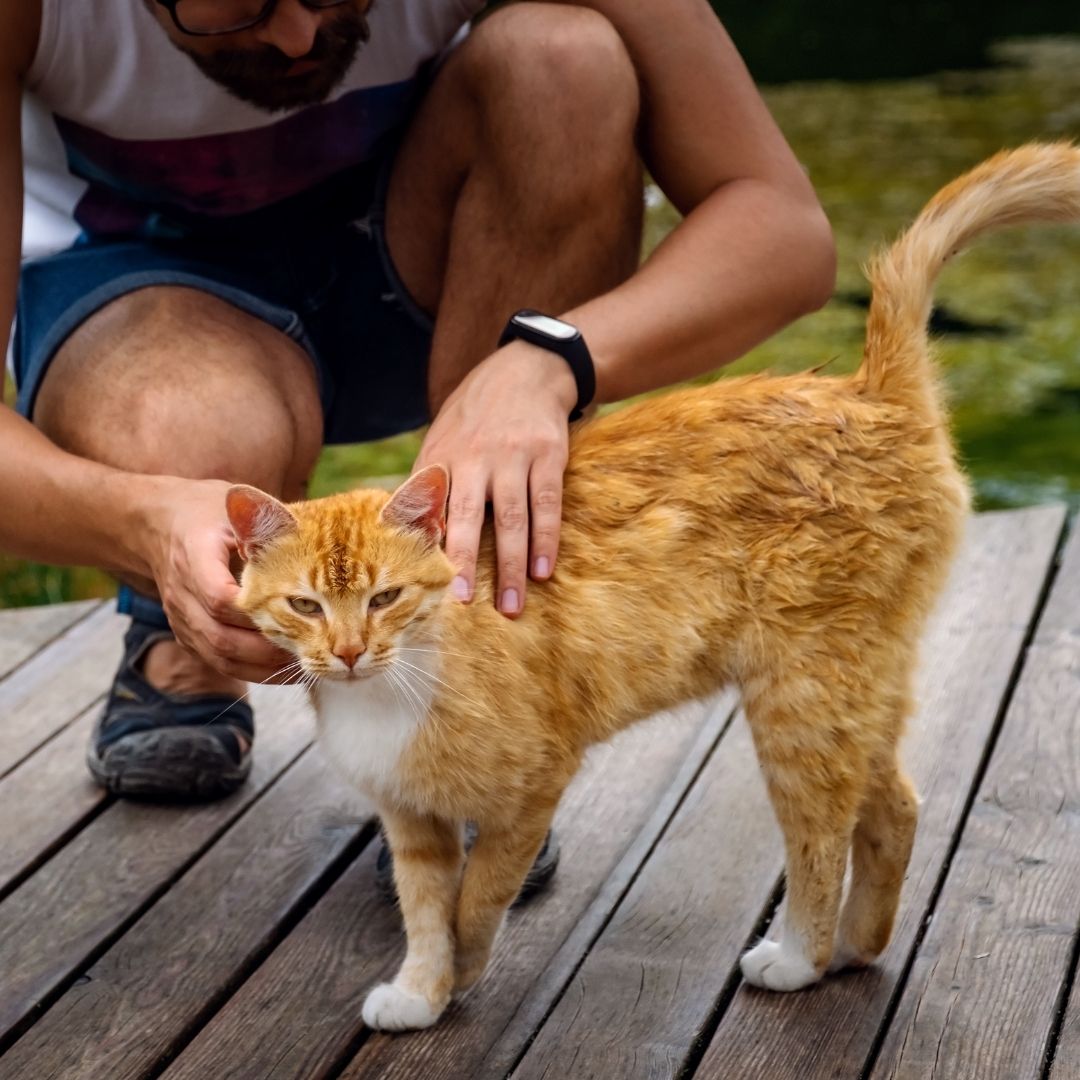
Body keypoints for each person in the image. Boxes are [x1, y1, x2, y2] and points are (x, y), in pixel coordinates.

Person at [1, 0, 835, 891]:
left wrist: (552, 359)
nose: (296, 36)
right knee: (196, 436)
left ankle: (481, 679)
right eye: (235, 4)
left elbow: (783, 227)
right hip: (139, 286)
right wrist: (142, 520)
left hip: (431, 254)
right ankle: (179, 638)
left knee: (564, 63)